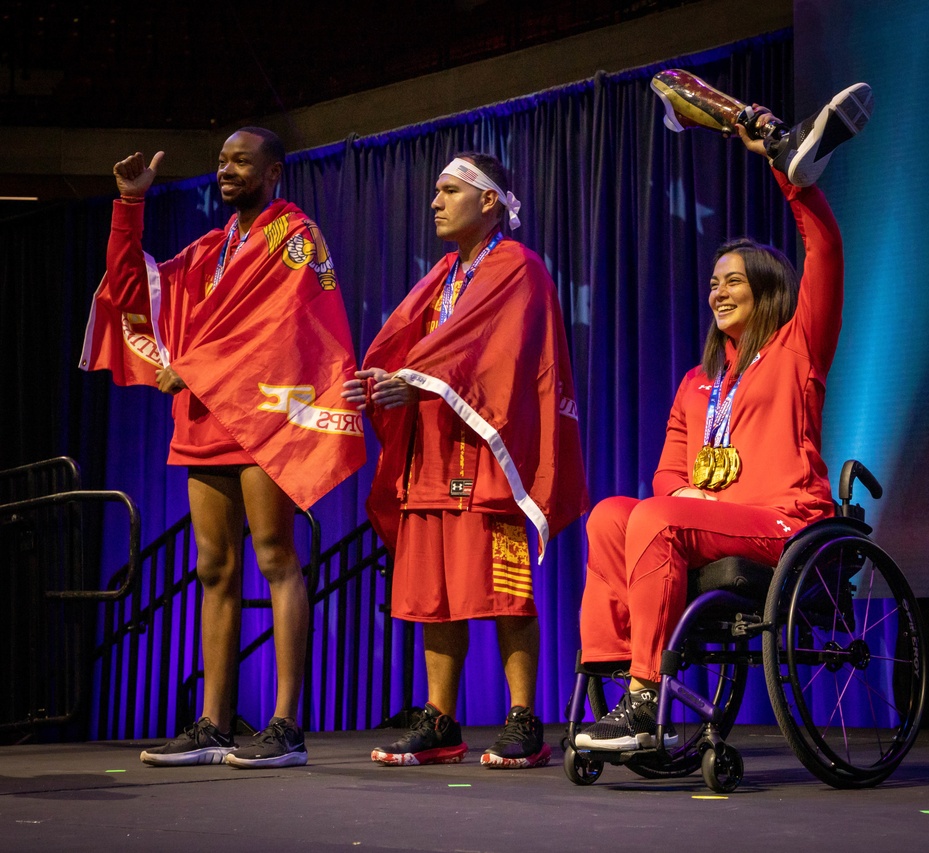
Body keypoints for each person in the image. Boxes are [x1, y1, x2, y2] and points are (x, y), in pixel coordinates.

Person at [575, 92, 866, 751]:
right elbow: (670, 473)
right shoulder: (697, 382)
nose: (716, 291)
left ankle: (647, 697)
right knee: (611, 516)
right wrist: (683, 495)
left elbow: (826, 251)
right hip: (712, 521)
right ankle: (616, 670)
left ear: (768, 291)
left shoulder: (798, 347)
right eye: (712, 282)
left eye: (732, 280)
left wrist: (793, 183)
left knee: (656, 516)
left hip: (785, 523)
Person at [80, 127, 366, 767]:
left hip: (262, 415)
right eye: (221, 160)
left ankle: (286, 726)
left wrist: (200, 365)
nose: (227, 169)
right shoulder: (212, 247)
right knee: (214, 569)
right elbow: (132, 291)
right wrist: (130, 206)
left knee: (275, 557)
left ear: (274, 173)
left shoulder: (294, 235)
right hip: (205, 421)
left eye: (242, 160)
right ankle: (213, 725)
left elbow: (283, 323)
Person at [342, 152, 588, 769]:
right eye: (434, 192)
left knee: (504, 593)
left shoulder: (517, 267)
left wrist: (416, 378)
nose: (435, 202)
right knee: (433, 596)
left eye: (448, 190)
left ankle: (524, 717)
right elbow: (416, 349)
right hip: (431, 456)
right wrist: (381, 381)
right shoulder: (443, 277)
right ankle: (441, 720)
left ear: (489, 201)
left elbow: (501, 359)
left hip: (488, 455)